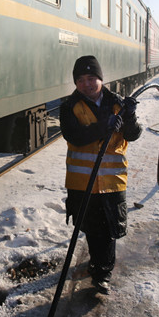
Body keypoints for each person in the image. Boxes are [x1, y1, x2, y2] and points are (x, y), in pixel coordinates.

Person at [60, 55, 142, 295]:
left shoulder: (117, 104)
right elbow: (73, 135)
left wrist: (130, 117)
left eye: (92, 78)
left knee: (108, 229)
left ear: (101, 79)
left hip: (112, 180)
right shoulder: (69, 107)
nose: (87, 84)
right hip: (82, 182)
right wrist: (103, 127)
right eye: (81, 79)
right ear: (76, 83)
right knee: (91, 226)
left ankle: (102, 274)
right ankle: (97, 262)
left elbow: (134, 134)